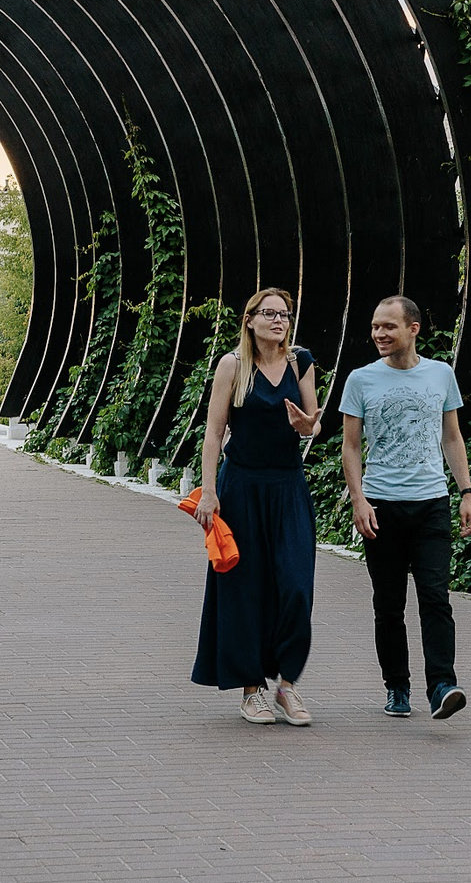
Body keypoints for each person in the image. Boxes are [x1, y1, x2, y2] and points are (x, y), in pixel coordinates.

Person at [341, 294, 471, 721]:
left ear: (413, 328)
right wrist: (359, 500)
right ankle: (397, 686)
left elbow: (452, 437)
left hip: (431, 503)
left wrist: (466, 492)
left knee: (436, 597)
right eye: (376, 326)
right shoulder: (361, 380)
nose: (379, 333)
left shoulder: (441, 374)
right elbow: (349, 447)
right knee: (389, 603)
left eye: (388, 326)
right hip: (381, 505)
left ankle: (442, 685)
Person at [190, 287, 321, 726]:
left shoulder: (301, 361)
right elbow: (213, 432)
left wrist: (308, 425)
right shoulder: (233, 365)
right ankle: (251, 690)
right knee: (244, 587)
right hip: (242, 487)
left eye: (285, 314)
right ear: (250, 320)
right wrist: (209, 491)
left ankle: (286, 684)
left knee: (296, 584)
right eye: (270, 313)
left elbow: (312, 421)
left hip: (287, 487)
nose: (279, 320)